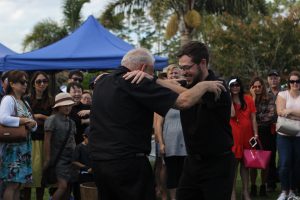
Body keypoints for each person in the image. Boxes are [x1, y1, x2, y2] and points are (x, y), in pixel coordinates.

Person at [89, 47, 225, 200]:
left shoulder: (101, 81)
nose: (151, 75)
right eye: (152, 71)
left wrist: (158, 80)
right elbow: (184, 101)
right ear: (142, 69)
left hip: (99, 163)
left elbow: (173, 85)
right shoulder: (136, 82)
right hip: (127, 165)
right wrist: (203, 85)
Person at [0, 70, 37, 200]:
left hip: (24, 148)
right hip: (12, 149)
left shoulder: (24, 102)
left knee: (18, 184)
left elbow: (33, 123)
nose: (25, 84)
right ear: (12, 84)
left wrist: (33, 125)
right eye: (22, 82)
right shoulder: (8, 99)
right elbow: (3, 118)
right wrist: (23, 120)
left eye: (26, 82)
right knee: (12, 184)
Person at [155, 64, 187, 200]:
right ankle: (170, 197)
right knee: (171, 171)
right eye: (171, 74)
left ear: (182, 75)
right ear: (167, 77)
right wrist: (161, 143)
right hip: (170, 141)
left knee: (185, 172)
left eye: (176, 73)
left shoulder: (187, 93)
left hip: (186, 142)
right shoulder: (163, 96)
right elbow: (158, 123)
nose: (174, 76)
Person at [23, 71, 53, 200]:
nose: (42, 84)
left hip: (45, 141)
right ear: (33, 84)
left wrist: (39, 117)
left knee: (41, 176)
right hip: (29, 141)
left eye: (44, 81)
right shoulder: (26, 99)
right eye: (38, 81)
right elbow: (24, 118)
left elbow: (54, 120)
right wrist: (40, 118)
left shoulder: (51, 100)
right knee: (28, 176)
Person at [229, 77, 258, 200]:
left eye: (237, 85)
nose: (235, 87)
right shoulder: (227, 100)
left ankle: (245, 191)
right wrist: (229, 98)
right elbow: (232, 114)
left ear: (240, 86)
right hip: (234, 137)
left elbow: (253, 118)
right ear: (229, 87)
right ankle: (233, 193)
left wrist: (256, 135)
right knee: (233, 167)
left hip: (248, 136)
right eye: (232, 85)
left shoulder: (248, 99)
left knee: (246, 165)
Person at [43, 92, 76, 200]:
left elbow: (72, 140)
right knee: (62, 186)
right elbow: (47, 140)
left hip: (71, 158)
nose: (68, 107)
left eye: (69, 105)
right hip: (58, 158)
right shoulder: (51, 119)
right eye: (65, 105)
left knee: (68, 187)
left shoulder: (71, 122)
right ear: (58, 106)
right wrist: (47, 159)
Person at [249, 76, 276, 197]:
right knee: (252, 161)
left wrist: (255, 119)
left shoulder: (269, 98)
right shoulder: (248, 99)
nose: (257, 88)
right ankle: (253, 186)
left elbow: (270, 115)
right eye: (255, 87)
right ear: (251, 87)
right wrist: (253, 98)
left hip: (265, 133)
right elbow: (248, 115)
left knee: (265, 161)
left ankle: (263, 186)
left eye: (259, 86)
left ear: (263, 87)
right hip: (252, 133)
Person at [276, 71, 300, 200]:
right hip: (284, 134)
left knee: (297, 164)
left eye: (297, 81)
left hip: (298, 136)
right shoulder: (282, 94)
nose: (295, 83)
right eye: (292, 81)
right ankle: (284, 191)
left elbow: (285, 111)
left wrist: (289, 110)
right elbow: (280, 111)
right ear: (288, 83)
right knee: (285, 162)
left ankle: (292, 191)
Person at [266, 69, 281, 192]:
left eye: (275, 77)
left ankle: (284, 179)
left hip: (284, 128)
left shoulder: (285, 92)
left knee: (284, 156)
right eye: (271, 78)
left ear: (279, 79)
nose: (273, 80)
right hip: (268, 129)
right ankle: (271, 183)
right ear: (268, 80)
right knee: (270, 156)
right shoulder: (264, 93)